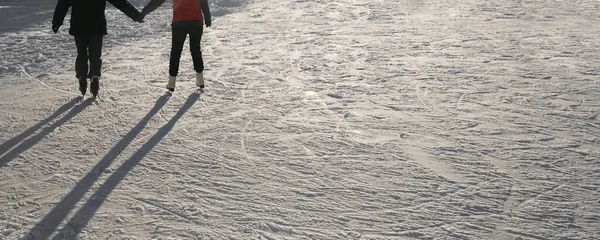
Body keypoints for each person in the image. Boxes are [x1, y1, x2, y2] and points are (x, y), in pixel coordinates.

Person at [52, 0, 143, 97]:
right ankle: (94, 77)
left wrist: (57, 22)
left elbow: (63, 3)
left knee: (81, 53)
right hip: (97, 25)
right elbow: (119, 2)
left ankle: (82, 76)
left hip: (79, 24)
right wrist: (135, 15)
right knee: (95, 55)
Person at [139, 0, 211, 92]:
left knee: (176, 52)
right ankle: (200, 80)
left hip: (179, 22)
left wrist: (144, 12)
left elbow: (157, 1)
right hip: (196, 22)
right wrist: (207, 17)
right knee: (195, 49)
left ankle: (172, 82)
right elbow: (203, 2)